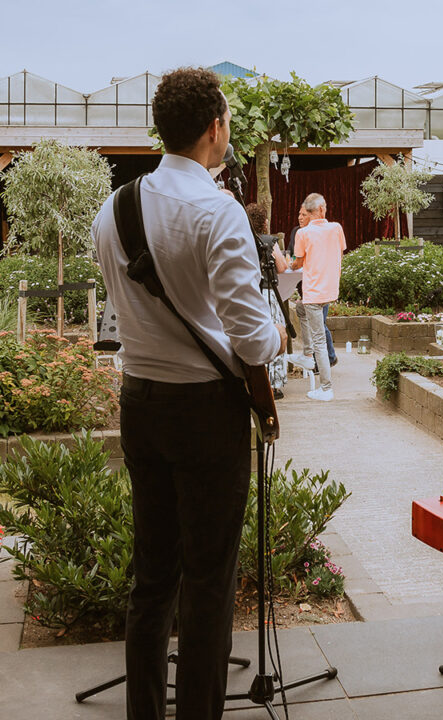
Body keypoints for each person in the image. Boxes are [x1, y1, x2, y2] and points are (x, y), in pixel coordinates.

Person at [92, 66, 285, 720]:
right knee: (207, 586)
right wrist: (280, 330)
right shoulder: (216, 210)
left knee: (152, 582)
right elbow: (254, 344)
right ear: (214, 128)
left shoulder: (111, 211)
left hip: (138, 402)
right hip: (205, 412)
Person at [290, 192, 346, 401]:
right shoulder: (336, 228)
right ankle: (306, 355)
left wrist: (291, 265)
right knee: (301, 309)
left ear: (311, 211)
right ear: (322, 210)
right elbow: (339, 255)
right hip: (330, 289)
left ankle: (326, 387)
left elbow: (297, 262)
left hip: (313, 291)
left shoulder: (303, 233)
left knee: (319, 341)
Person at [244, 202, 289, 399]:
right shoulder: (270, 241)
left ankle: (256, 382)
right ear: (264, 222)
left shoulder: (243, 240)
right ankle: (275, 384)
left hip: (252, 294)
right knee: (276, 333)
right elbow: (282, 267)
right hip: (269, 293)